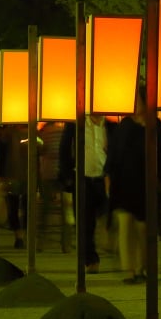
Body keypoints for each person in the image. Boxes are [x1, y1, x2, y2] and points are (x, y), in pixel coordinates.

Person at [106, 87, 161, 284]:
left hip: (146, 187)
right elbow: (113, 154)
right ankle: (129, 270)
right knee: (126, 227)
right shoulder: (124, 126)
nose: (135, 105)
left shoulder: (156, 126)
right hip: (124, 186)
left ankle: (141, 267)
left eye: (138, 100)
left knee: (145, 229)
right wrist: (109, 179)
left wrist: (160, 178)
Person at [60, 114, 111, 274]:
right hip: (82, 179)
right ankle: (91, 259)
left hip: (104, 179)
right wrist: (68, 176)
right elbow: (64, 149)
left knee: (108, 215)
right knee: (84, 223)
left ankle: (107, 241)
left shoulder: (110, 127)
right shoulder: (75, 125)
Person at [37, 121, 65, 252]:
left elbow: (41, 150)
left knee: (45, 207)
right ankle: (66, 243)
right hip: (62, 172)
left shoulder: (44, 133)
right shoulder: (63, 132)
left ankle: (41, 241)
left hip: (48, 172)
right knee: (66, 209)